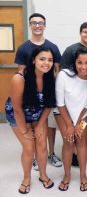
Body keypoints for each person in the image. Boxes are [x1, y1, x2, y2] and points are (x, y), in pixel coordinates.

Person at [14, 13, 62, 169]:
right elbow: (21, 72)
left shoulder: (53, 47)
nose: (37, 25)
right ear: (30, 25)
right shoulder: (23, 48)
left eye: (40, 23)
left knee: (49, 126)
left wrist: (51, 92)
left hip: (47, 93)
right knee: (32, 128)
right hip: (31, 96)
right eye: (34, 23)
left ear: (44, 25)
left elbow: (56, 71)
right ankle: (35, 156)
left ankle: (51, 153)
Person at [5, 47, 56, 194]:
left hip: (38, 114)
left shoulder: (49, 76)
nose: (46, 63)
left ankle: (43, 175)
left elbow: (49, 104)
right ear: (33, 60)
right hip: (18, 115)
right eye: (42, 59)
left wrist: (40, 124)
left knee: (41, 145)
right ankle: (26, 178)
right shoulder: (19, 78)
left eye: (50, 60)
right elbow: (17, 109)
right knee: (29, 147)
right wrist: (24, 130)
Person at [60, 22, 87, 166]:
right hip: (73, 97)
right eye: (85, 32)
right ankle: (73, 153)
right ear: (80, 33)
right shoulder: (71, 50)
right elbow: (64, 72)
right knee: (72, 125)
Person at [55, 47, 87, 191]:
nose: (83, 67)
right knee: (68, 141)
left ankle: (83, 175)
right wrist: (70, 125)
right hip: (62, 113)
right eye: (80, 62)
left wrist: (79, 124)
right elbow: (60, 104)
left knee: (81, 141)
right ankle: (66, 176)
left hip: (82, 115)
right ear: (74, 62)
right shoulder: (64, 75)